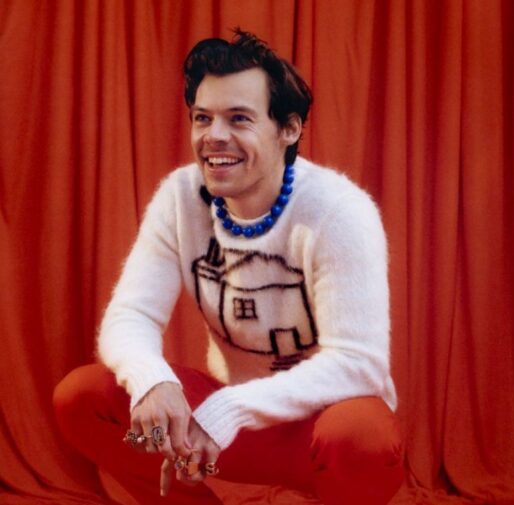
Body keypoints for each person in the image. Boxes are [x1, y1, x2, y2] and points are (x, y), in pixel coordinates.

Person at [53, 29, 404, 505]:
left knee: (362, 435)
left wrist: (228, 410)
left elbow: (359, 365)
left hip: (317, 434)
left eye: (238, 118)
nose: (214, 136)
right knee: (84, 397)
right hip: (219, 432)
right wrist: (151, 379)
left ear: (289, 129)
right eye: (203, 118)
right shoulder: (181, 197)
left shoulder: (339, 210)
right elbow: (130, 315)